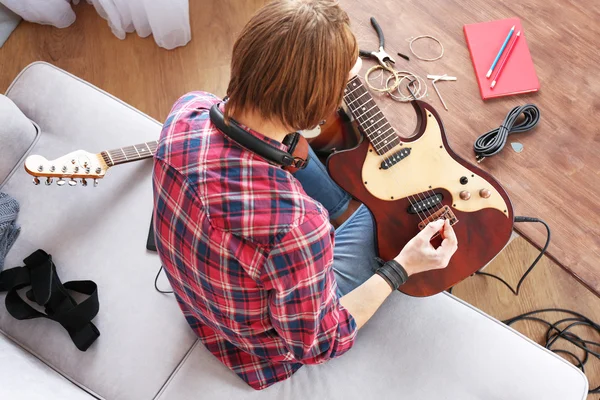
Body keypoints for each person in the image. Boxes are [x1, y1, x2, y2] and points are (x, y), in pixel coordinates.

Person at [151, 0, 458, 391]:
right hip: (260, 350)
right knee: (379, 210)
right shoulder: (299, 228)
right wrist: (403, 266)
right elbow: (320, 343)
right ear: (319, 112)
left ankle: (343, 208)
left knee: (301, 153)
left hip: (203, 305)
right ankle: (353, 216)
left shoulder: (188, 110)